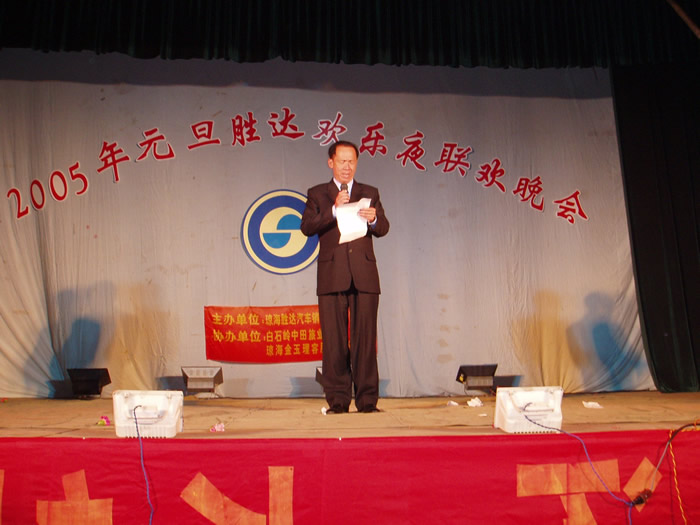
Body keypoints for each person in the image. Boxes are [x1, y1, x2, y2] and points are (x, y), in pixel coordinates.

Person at [301, 140, 390, 413]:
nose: (346, 167)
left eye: (351, 161)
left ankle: (367, 401)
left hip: (364, 275)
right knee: (334, 341)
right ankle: (338, 400)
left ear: (357, 163)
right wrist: (333, 210)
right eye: (342, 161)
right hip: (332, 275)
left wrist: (374, 219)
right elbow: (307, 227)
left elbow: (383, 228)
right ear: (331, 162)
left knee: (365, 340)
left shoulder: (369, 192)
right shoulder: (318, 194)